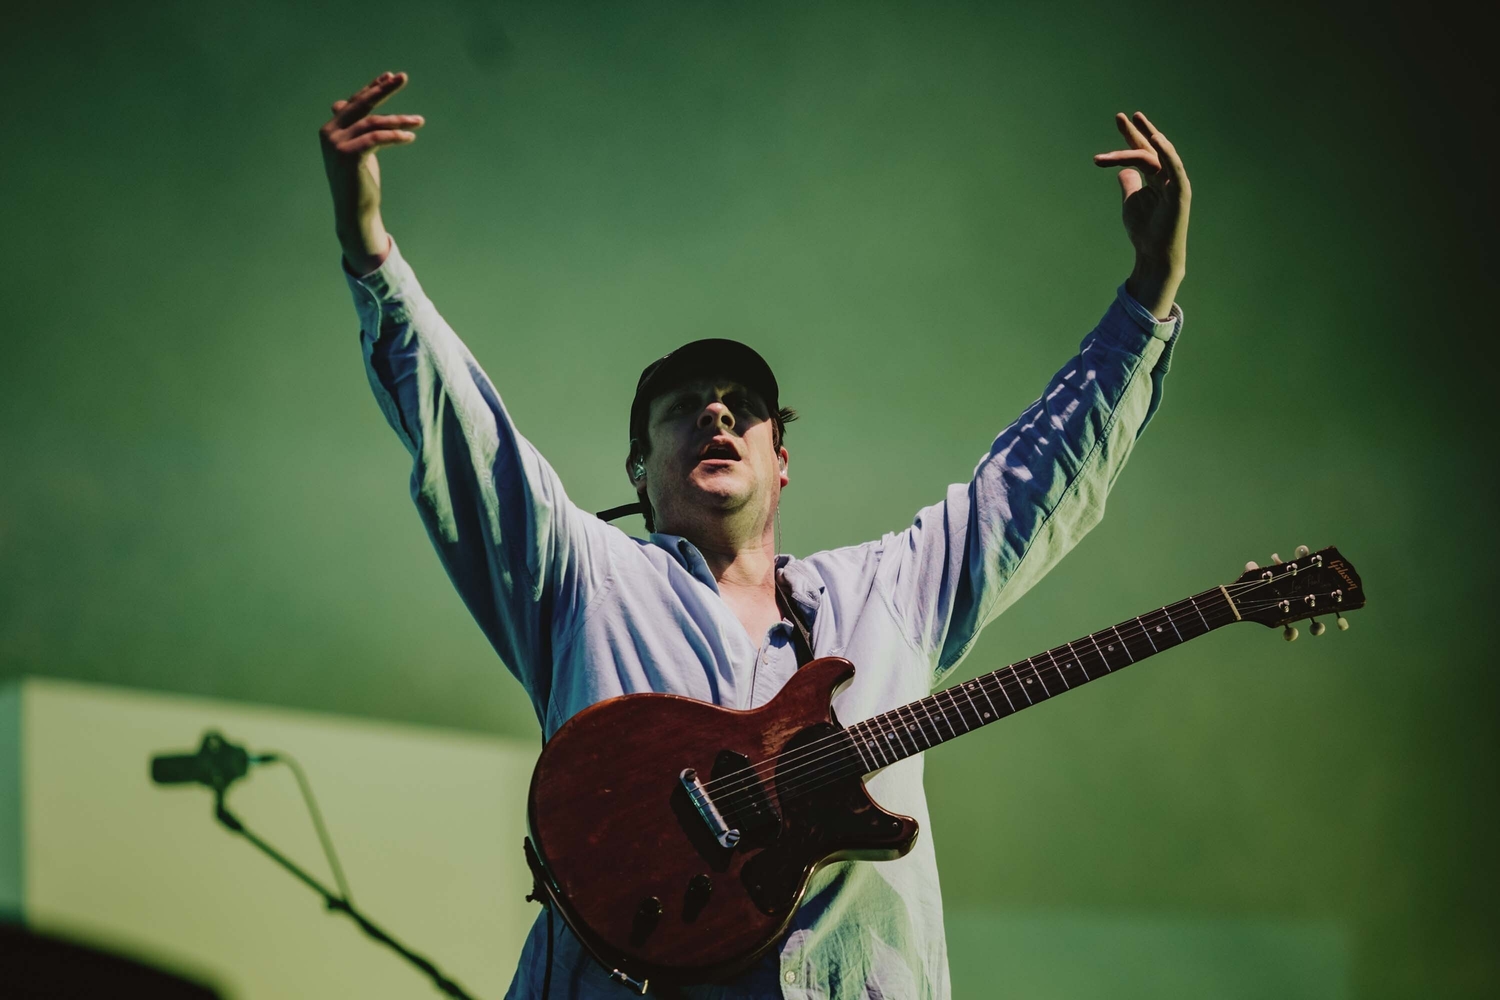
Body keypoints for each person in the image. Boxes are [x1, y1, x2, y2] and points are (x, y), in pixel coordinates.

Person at [320, 71, 1189, 1000]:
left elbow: (1028, 485)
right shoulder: (588, 581)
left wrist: (1149, 292)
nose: (718, 414)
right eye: (684, 408)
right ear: (637, 473)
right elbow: (469, 447)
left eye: (746, 407)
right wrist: (373, 256)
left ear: (783, 462)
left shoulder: (881, 595)